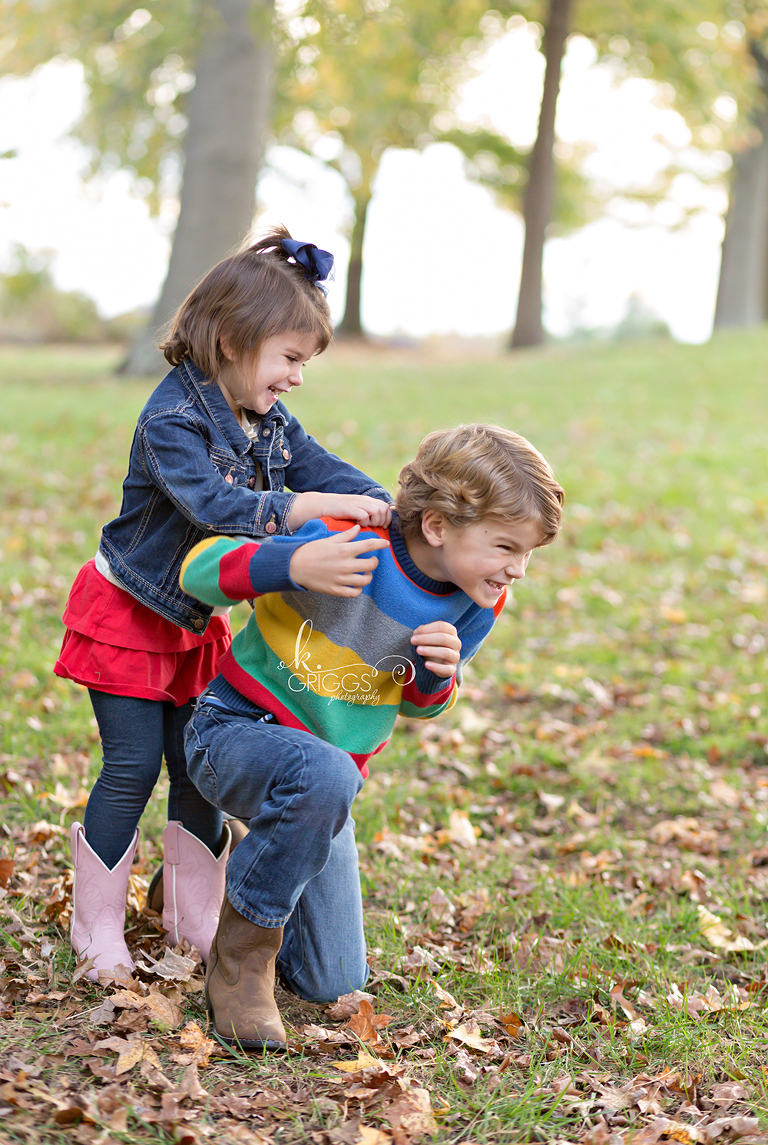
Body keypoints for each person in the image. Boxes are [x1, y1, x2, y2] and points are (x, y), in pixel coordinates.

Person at [54, 227, 393, 984]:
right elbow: (215, 503)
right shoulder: (172, 419)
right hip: (129, 613)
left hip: (195, 621)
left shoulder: (262, 417)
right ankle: (96, 925)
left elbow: (317, 461)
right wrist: (305, 510)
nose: (298, 377)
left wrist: (381, 501)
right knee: (132, 766)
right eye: (292, 358)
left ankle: (193, 920)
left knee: (193, 769)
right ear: (236, 340)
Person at [180, 422, 564, 1050]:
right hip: (233, 733)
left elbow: (419, 706)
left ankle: (265, 848)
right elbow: (197, 572)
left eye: (528, 554)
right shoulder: (344, 538)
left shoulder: (477, 598)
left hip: (322, 786)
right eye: (505, 547)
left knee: (335, 983)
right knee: (327, 775)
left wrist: (437, 678)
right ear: (437, 526)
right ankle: (240, 963)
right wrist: (293, 562)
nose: (517, 570)